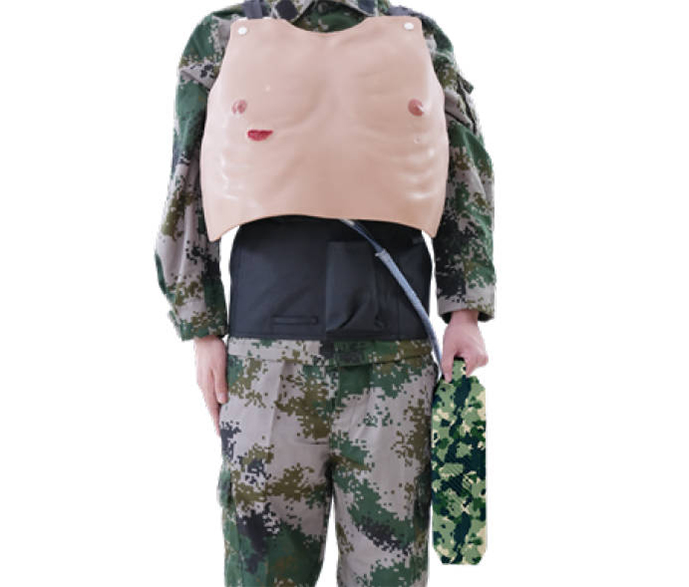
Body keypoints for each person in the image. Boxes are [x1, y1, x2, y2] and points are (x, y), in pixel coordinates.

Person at [154, 1, 494, 585]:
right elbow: (188, 181)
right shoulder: (223, 37)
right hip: (265, 363)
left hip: (394, 366)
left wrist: (465, 311)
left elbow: (464, 175)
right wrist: (202, 328)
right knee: (264, 573)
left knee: (390, 575)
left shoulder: (420, 37)